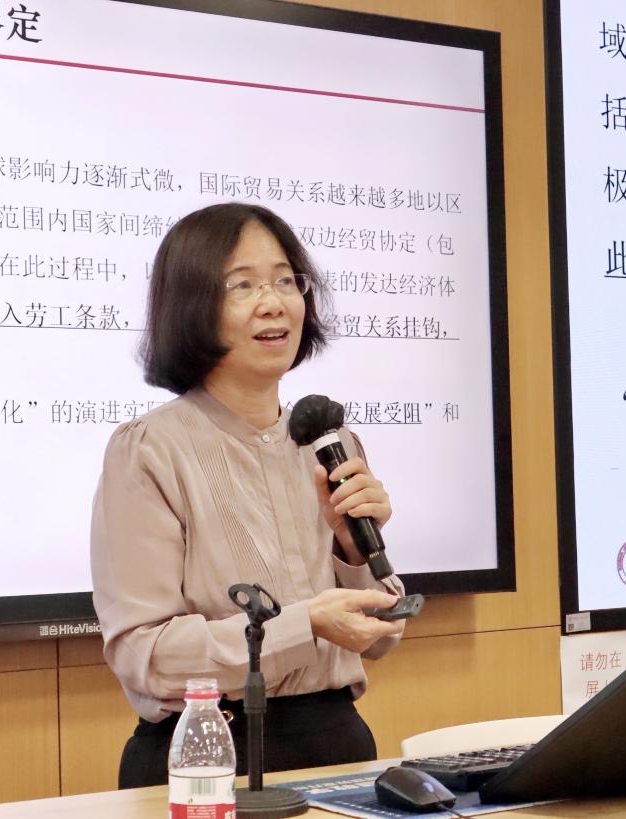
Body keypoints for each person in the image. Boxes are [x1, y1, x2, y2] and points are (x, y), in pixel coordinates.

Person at [91, 202, 406, 789]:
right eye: (243, 285)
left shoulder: (328, 442)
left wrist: (352, 552)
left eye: (286, 281)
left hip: (337, 743)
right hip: (208, 751)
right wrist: (304, 625)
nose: (274, 302)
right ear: (192, 305)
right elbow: (145, 654)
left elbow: (384, 636)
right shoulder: (149, 450)